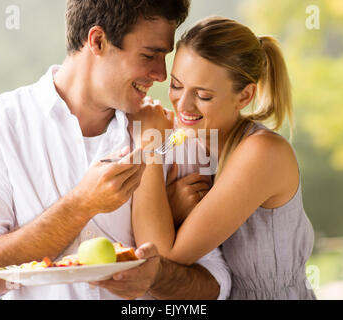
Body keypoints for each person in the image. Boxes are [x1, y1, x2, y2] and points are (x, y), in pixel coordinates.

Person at [0, 1, 232, 300]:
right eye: (149, 55)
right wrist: (82, 204)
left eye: (164, 57)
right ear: (97, 40)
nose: (161, 74)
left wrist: (157, 276)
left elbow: (215, 285)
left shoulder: (172, 138)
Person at [130, 16, 317, 300]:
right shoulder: (191, 142)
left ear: (244, 96)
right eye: (177, 86)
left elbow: (163, 254)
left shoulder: (263, 153)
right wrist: (171, 208)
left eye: (203, 95)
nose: (183, 105)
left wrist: (148, 143)